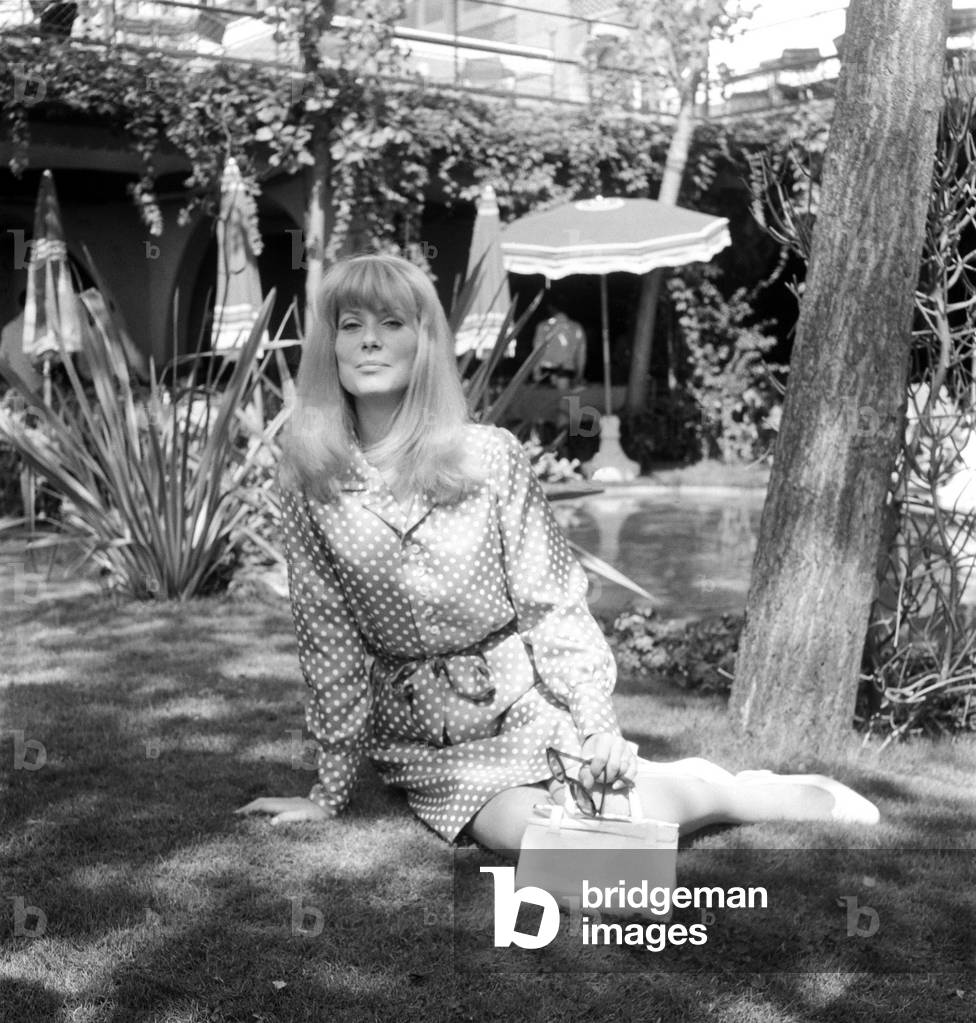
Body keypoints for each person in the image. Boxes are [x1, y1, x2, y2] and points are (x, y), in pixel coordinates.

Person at [235, 254, 879, 853]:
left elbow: (552, 604)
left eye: (392, 323)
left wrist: (596, 726)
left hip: (529, 706)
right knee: (552, 842)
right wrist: (329, 793)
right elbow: (329, 640)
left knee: (624, 816)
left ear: (423, 342)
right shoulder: (309, 481)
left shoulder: (489, 458)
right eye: (352, 326)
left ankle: (727, 790)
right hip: (425, 741)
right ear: (332, 347)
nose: (369, 340)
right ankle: (680, 791)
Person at [531, 302, 587, 390]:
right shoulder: (576, 327)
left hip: (545, 372)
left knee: (547, 401)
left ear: (551, 307)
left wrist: (536, 373)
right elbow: (581, 355)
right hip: (567, 371)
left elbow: (537, 352)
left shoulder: (543, 326)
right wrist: (579, 375)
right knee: (564, 400)